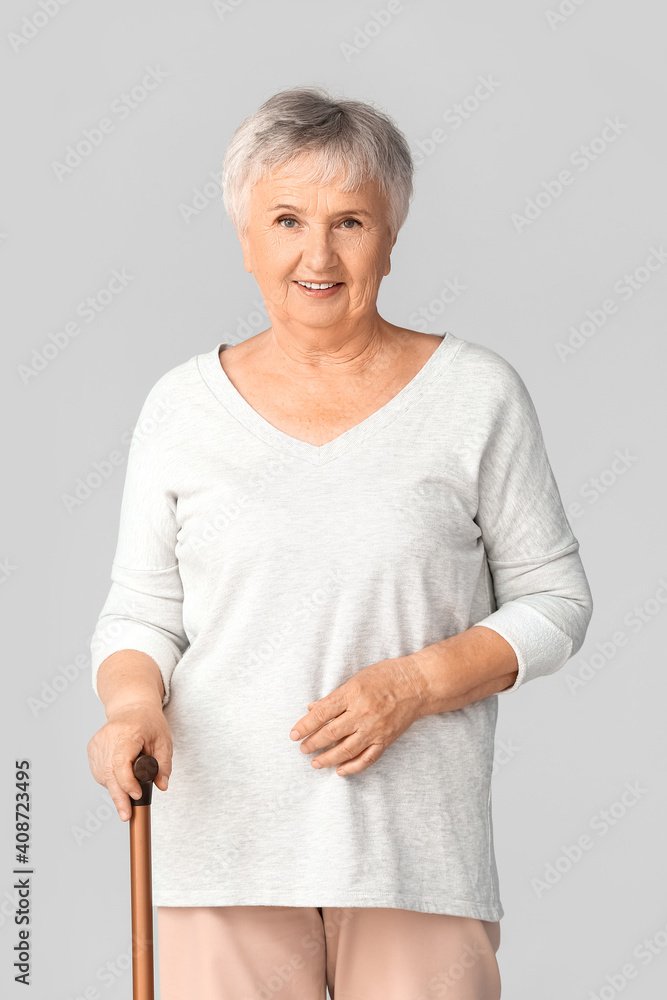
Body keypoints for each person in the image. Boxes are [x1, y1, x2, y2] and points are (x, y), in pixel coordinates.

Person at [86, 85, 593, 999]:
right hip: (222, 852)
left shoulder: (476, 396)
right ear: (245, 238)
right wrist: (130, 707)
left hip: (414, 857)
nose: (316, 254)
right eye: (285, 219)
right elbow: (141, 612)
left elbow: (556, 602)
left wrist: (415, 684)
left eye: (350, 220)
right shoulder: (179, 408)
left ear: (391, 236)